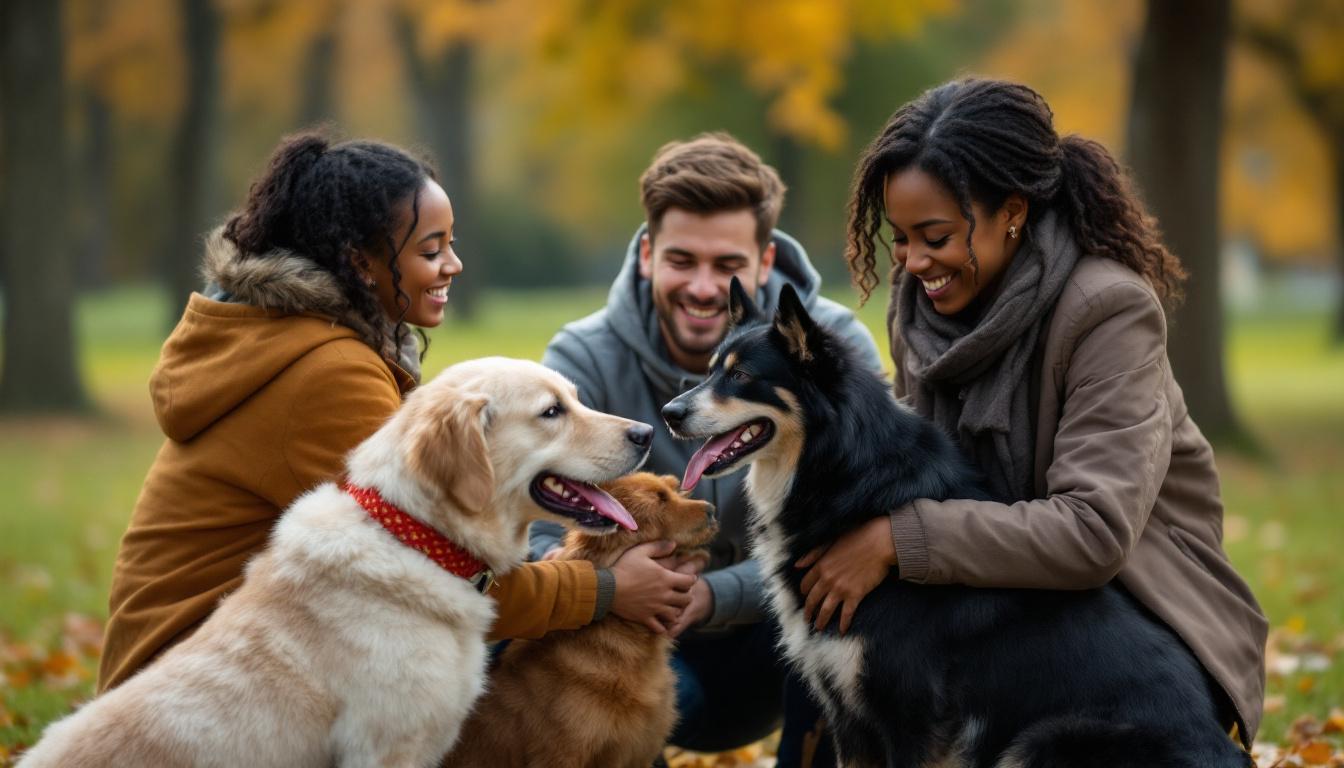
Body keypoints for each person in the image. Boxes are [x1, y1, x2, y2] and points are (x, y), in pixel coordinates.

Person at [98, 132, 692, 693]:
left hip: (242, 661)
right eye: (431, 250)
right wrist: (603, 589)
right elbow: (431, 575)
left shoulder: (306, 342)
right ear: (360, 264)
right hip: (203, 697)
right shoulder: (326, 374)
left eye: (451, 243)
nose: (453, 264)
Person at [795, 78, 1267, 750]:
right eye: (898, 238)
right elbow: (916, 473)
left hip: (1137, 637)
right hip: (1001, 609)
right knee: (824, 603)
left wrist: (899, 540)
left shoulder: (1107, 311)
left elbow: (1093, 531)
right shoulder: (922, 308)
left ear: (1011, 213)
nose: (913, 262)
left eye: (935, 235)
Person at [535, 132, 881, 765]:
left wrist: (714, 595)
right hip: (643, 646)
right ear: (645, 254)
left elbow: (858, 538)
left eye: (726, 266)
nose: (701, 288)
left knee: (859, 600)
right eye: (680, 259)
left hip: (786, 649)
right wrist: (615, 584)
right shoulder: (579, 363)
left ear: (765, 260)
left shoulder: (833, 352)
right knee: (518, 642)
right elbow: (535, 535)